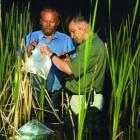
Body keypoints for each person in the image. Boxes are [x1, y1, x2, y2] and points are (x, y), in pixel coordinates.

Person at [40, 16, 107, 140]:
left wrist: (51, 54)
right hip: (82, 102)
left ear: (84, 28)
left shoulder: (92, 47)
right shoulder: (91, 44)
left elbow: (69, 70)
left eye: (73, 31)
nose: (71, 36)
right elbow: (84, 68)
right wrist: (70, 60)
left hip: (87, 104)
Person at [25, 8, 76, 105]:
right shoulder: (31, 36)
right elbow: (18, 61)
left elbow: (75, 66)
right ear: (40, 21)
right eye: (45, 21)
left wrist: (69, 61)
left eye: (52, 21)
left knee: (53, 118)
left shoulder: (66, 40)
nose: (48, 24)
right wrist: (27, 53)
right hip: (33, 91)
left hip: (56, 92)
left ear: (57, 22)